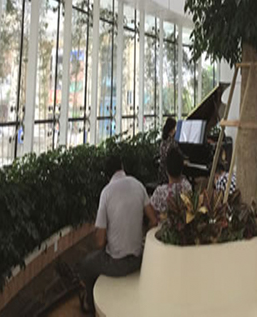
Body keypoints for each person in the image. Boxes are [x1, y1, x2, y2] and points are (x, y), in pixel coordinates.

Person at [74, 154, 158, 313]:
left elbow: (100, 242)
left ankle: (91, 307)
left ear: (107, 176)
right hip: (139, 258)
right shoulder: (138, 185)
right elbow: (154, 220)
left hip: (117, 263)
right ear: (122, 167)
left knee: (85, 265)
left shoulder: (106, 193)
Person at [150, 147, 192, 213]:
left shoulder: (160, 192)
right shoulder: (187, 187)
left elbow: (149, 210)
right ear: (182, 169)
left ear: (166, 170)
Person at [158, 117, 182, 184]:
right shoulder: (172, 142)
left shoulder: (163, 141)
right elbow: (178, 156)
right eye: (174, 128)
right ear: (172, 129)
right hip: (169, 174)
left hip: (161, 173)